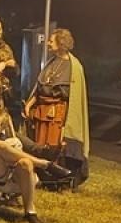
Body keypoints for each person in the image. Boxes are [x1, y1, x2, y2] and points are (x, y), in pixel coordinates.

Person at [0, 106, 70, 223]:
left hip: (13, 177)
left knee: (26, 163)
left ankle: (30, 212)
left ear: (3, 127)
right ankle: (44, 164)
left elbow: (19, 164)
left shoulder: (13, 142)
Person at [29, 28, 91, 182]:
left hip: (57, 112)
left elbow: (72, 95)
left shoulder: (74, 66)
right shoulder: (51, 62)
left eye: (51, 40)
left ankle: (55, 175)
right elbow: (39, 86)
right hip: (42, 111)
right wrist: (30, 103)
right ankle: (40, 172)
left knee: (55, 144)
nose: (48, 43)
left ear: (61, 43)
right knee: (40, 142)